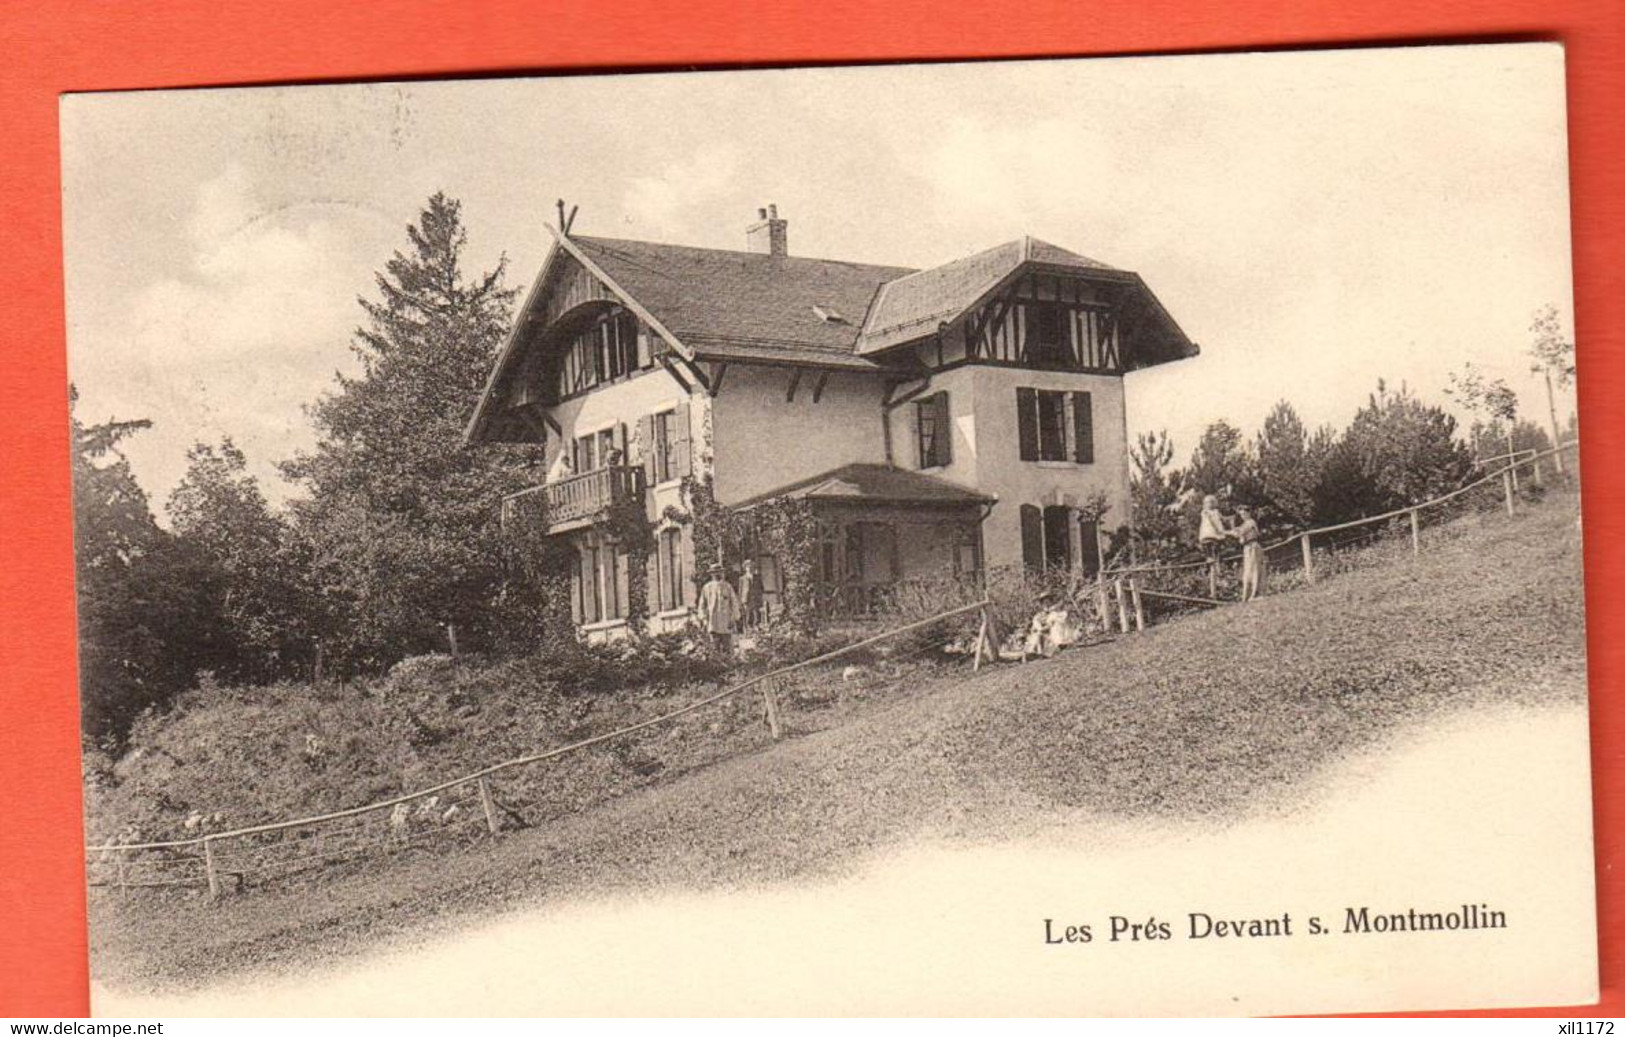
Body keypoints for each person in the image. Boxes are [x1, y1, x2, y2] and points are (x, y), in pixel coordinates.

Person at [697, 562, 741, 657]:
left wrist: (733, 618)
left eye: (719, 572)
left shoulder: (727, 587)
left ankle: (730, 667)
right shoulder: (707, 588)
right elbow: (702, 605)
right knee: (714, 649)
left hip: (726, 623)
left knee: (727, 649)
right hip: (713, 623)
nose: (717, 574)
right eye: (714, 572)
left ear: (722, 573)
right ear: (711, 574)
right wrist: (704, 619)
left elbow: (734, 603)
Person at [1228, 504, 1266, 602]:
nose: (1243, 516)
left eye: (1244, 513)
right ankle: (1247, 596)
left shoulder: (1250, 522)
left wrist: (1231, 527)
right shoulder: (1244, 524)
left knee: (1255, 569)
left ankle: (1256, 593)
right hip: (1247, 547)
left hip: (1253, 546)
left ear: (1249, 513)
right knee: (1248, 570)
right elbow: (1240, 539)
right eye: (1241, 514)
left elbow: (1239, 532)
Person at [1197, 494, 1229, 598]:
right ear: (1204, 504)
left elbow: (1222, 519)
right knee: (1208, 547)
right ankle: (1209, 557)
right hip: (1209, 533)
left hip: (1216, 536)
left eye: (1211, 502)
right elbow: (1211, 521)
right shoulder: (1205, 512)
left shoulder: (1216, 512)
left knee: (1217, 553)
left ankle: (1217, 566)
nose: (1209, 504)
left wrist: (1228, 520)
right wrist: (1218, 530)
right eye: (1207, 502)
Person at [739, 559, 764, 630]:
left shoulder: (757, 577)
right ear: (745, 568)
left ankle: (757, 626)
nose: (749, 568)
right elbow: (740, 590)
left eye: (751, 567)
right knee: (748, 613)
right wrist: (741, 601)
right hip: (746, 599)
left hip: (755, 598)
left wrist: (759, 595)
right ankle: (748, 628)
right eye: (748, 567)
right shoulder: (742, 579)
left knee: (756, 613)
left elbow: (761, 588)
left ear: (753, 568)